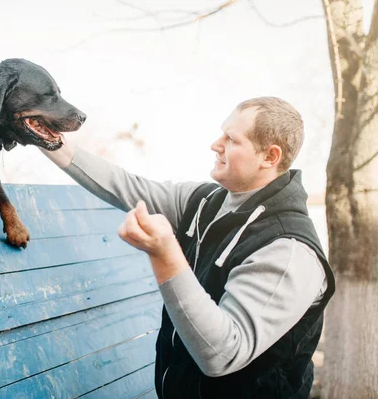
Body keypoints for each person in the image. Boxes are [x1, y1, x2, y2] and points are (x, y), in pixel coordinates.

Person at [39, 97, 335, 398]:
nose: (215, 145)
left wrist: (164, 255)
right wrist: (47, 139)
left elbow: (223, 355)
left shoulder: (288, 251)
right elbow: (127, 186)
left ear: (270, 157)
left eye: (231, 139)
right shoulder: (204, 201)